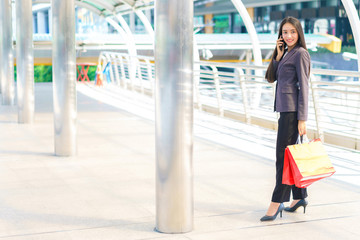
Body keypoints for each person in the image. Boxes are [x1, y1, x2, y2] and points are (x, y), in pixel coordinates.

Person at [261, 16, 311, 221]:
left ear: (298, 32)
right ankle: (299, 196)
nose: (288, 36)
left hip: (292, 114)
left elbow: (304, 87)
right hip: (285, 111)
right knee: (291, 157)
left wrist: (302, 119)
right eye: (284, 32)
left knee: (282, 158)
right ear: (280, 36)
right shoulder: (287, 53)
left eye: (292, 31)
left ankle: (277, 201)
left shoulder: (301, 54)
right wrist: (278, 55)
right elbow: (270, 78)